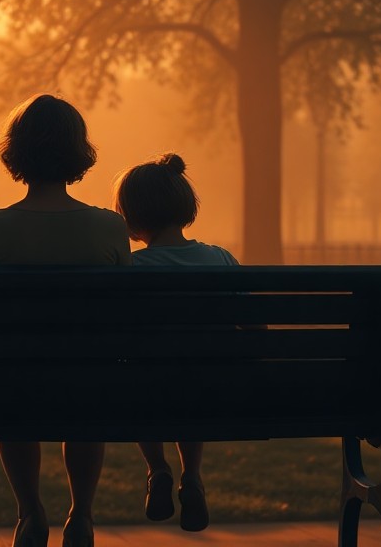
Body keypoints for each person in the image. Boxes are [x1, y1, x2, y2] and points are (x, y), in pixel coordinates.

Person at [0, 94, 131, 547]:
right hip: (89, 382)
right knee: (86, 393)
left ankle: (30, 510)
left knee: (12, 389)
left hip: (12, 384)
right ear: (79, 150)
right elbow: (125, 312)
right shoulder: (110, 229)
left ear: (15, 152)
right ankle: (82, 513)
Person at [113, 152, 236, 532]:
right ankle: (192, 476)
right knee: (194, 376)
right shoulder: (220, 260)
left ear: (130, 218)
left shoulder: (131, 270)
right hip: (211, 392)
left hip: (146, 392)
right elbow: (256, 329)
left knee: (138, 378)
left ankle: (157, 469)